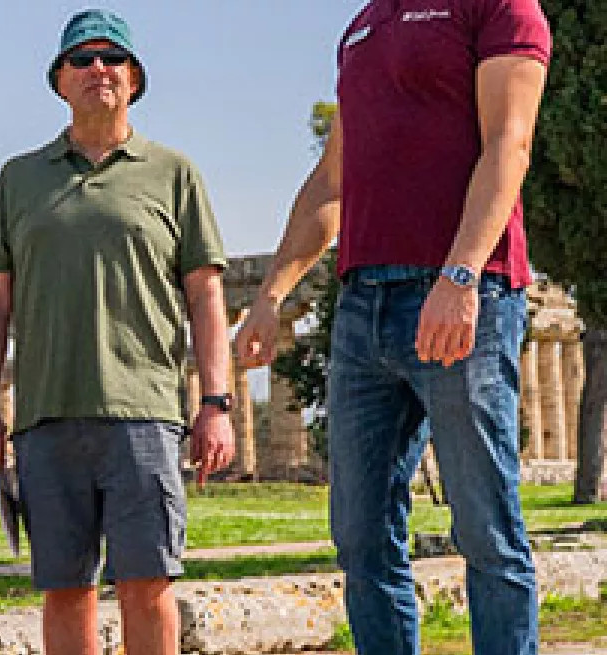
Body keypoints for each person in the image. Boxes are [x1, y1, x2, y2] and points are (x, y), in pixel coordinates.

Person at [233, 1, 551, 653]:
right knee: (360, 534)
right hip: (362, 306)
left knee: (486, 528)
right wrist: (271, 294)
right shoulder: (363, 25)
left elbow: (508, 145)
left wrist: (459, 275)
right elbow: (331, 180)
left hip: (467, 294)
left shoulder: (501, 7)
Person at [0, 10, 236, 655]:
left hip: (145, 413)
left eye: (112, 58)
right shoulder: (18, 177)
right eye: (80, 60)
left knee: (148, 583)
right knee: (65, 589)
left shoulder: (173, 172)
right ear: (58, 81)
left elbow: (205, 293)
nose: (98, 70)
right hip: (44, 416)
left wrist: (216, 404)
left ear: (135, 78)